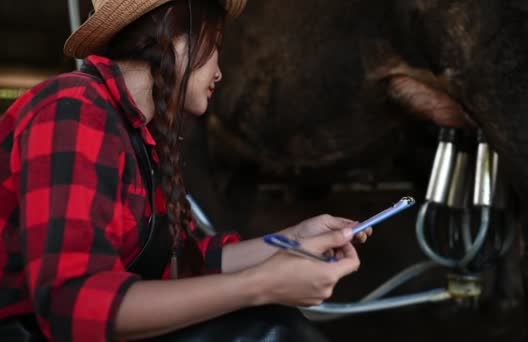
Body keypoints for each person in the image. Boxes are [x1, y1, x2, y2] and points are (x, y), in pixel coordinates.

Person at [0, 0, 372, 340]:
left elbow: (189, 264)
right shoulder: (73, 109)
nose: (220, 73)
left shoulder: (143, 137)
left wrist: (295, 239)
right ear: (173, 38)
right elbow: (72, 307)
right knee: (270, 329)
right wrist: (261, 284)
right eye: (217, 48)